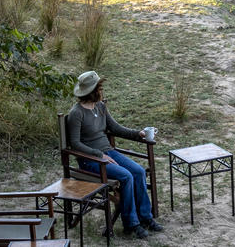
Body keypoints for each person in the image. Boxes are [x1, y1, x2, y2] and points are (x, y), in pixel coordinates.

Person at [66, 70, 163, 239]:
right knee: (126, 176)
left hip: (109, 152)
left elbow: (115, 128)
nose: (102, 91)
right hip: (90, 160)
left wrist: (137, 133)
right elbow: (75, 144)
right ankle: (131, 224)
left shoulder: (101, 107)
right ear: (93, 91)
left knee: (138, 171)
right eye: (99, 88)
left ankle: (145, 217)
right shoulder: (76, 113)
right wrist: (98, 154)